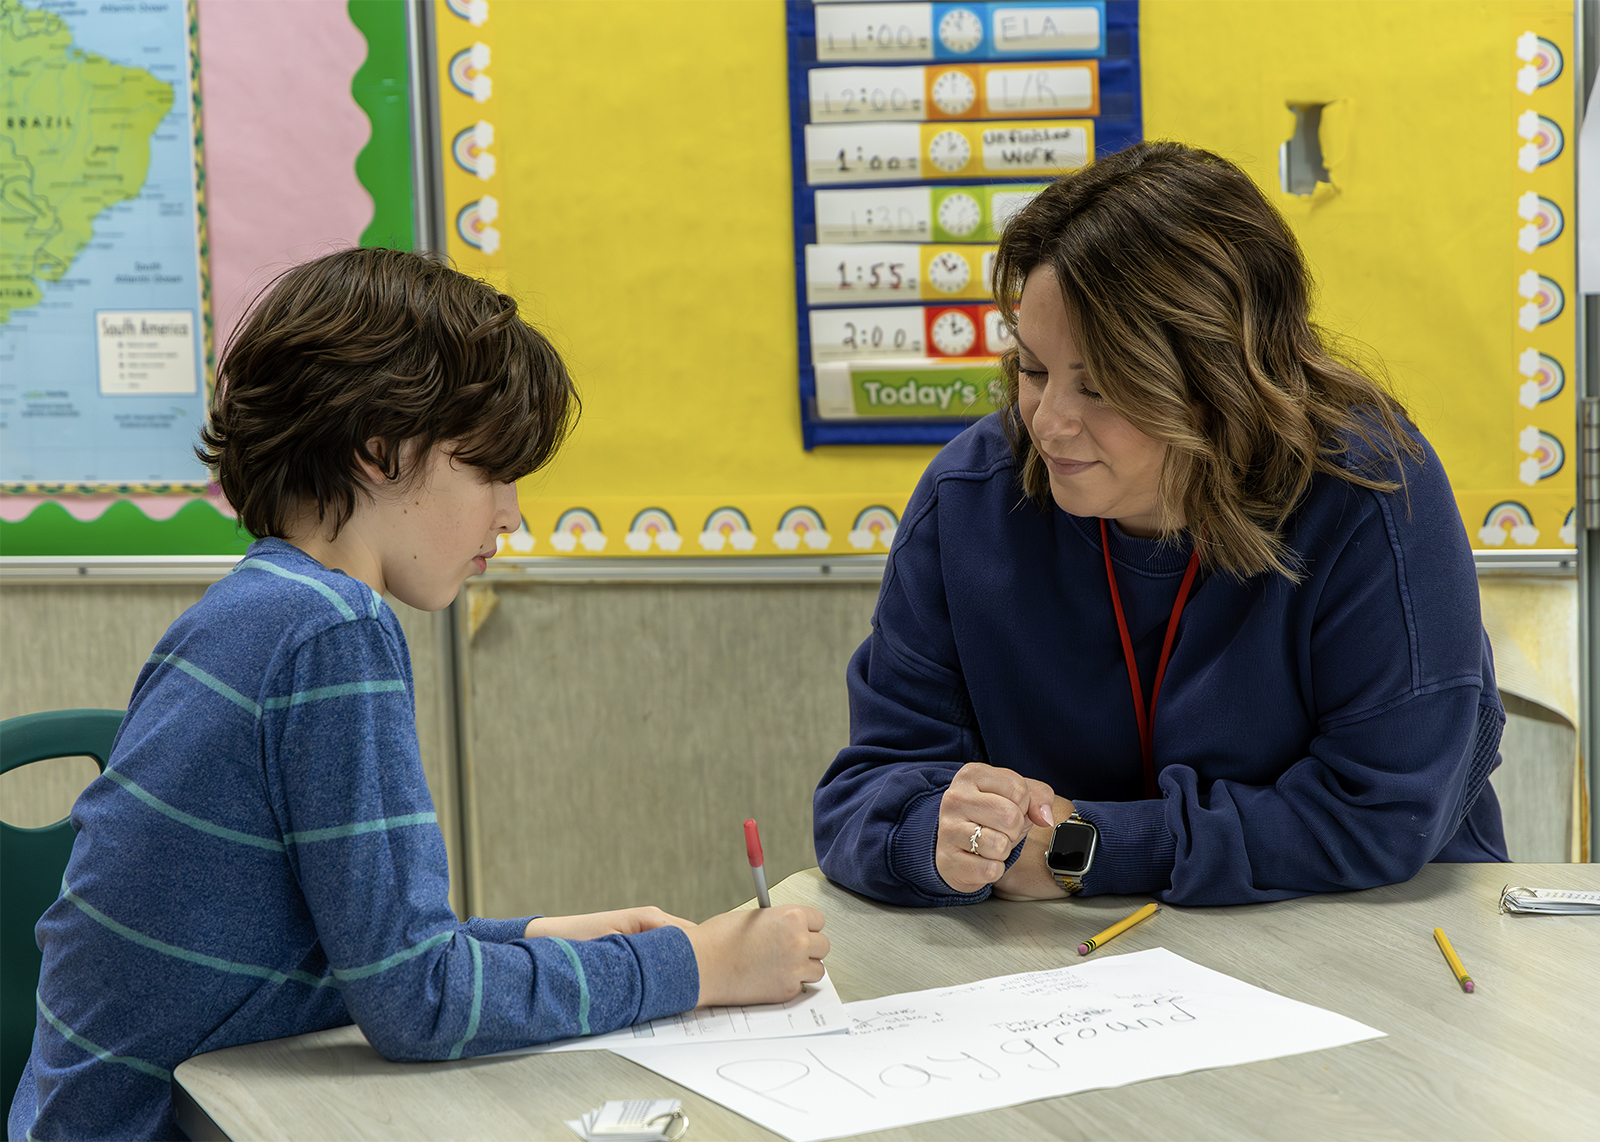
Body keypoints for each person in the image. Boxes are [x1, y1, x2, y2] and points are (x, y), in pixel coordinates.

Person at [11, 248, 828, 1141]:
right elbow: (418, 1003)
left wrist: (537, 935)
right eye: (490, 471)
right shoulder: (334, 633)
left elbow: (353, 955)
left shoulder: (251, 608)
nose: (511, 512)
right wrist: (697, 965)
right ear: (380, 450)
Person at [813, 141, 1507, 912]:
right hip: (1062, 976)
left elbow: (1382, 815)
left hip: (1367, 937)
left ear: (1222, 385)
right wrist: (930, 837)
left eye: (1102, 387)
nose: (1048, 423)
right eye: (1033, 369)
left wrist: (1093, 849)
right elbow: (863, 792)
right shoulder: (967, 500)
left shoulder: (1373, 492)